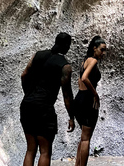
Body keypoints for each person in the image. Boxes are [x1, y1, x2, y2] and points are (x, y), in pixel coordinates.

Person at [20, 32, 75, 166]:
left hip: (27, 105)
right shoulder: (65, 66)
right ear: (67, 46)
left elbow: (24, 75)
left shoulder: (37, 55)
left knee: (30, 150)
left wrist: (29, 94)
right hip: (44, 108)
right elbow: (67, 95)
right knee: (45, 151)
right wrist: (71, 117)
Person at [74, 36, 107, 166]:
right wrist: (95, 94)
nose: (103, 53)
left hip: (79, 98)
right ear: (94, 48)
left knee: (83, 138)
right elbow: (84, 78)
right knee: (86, 138)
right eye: (102, 50)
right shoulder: (93, 61)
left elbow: (79, 80)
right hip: (87, 100)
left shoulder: (85, 61)